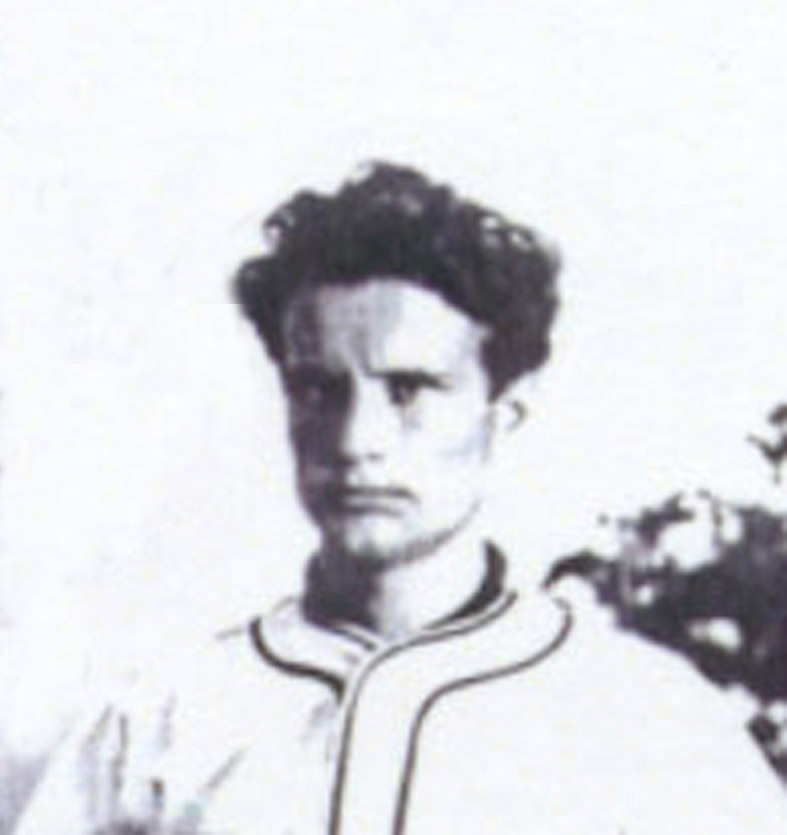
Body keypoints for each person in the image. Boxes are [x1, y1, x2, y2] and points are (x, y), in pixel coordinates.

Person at [16, 164, 787, 833]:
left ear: (502, 410)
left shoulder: (648, 727)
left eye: (409, 389)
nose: (357, 440)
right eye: (317, 390)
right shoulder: (156, 724)